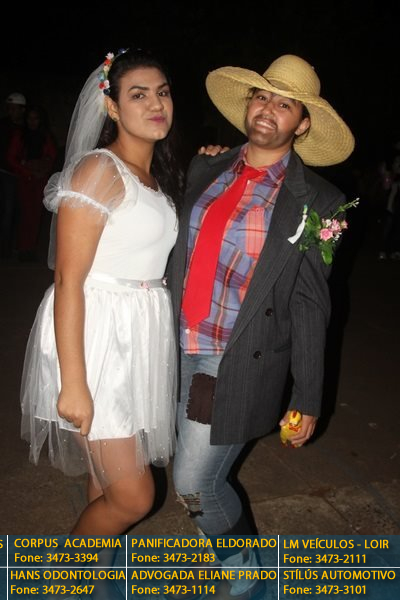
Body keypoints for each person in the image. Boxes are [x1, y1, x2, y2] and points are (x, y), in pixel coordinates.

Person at [169, 54, 354, 599]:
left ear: (303, 123)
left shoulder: (324, 203)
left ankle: (242, 567)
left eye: (285, 104)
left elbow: (312, 303)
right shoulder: (205, 166)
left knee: (194, 483)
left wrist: (309, 397)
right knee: (185, 466)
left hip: (232, 356)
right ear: (248, 105)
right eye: (262, 96)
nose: (268, 109)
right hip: (174, 340)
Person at [20, 48, 184, 537]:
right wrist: (74, 382)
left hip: (136, 337)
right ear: (112, 107)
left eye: (162, 92)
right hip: (98, 342)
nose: (155, 104)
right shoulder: (99, 170)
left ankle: (92, 573)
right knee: (134, 496)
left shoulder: (150, 177)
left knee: (106, 482)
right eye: (138, 95)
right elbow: (68, 280)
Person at [7, 104, 58, 261]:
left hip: (39, 179)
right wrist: (27, 171)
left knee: (36, 214)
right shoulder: (20, 135)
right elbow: (11, 158)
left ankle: (30, 249)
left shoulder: (45, 136)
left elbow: (52, 156)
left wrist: (42, 170)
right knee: (24, 214)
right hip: (24, 179)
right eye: (30, 118)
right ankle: (22, 248)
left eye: (35, 119)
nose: (32, 122)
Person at [0, 92, 26, 257]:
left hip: (20, 174)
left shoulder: (26, 126)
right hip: (5, 172)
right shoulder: (3, 125)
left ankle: (12, 245)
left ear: (22, 109)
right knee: (7, 210)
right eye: (9, 108)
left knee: (17, 210)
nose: (11, 111)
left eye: (15, 108)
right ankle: (4, 248)